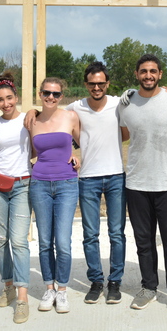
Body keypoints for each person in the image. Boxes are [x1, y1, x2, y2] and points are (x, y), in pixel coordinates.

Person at [118, 54, 167, 316]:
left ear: (160, 74)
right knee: (144, 242)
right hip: (137, 183)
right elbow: (123, 135)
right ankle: (148, 287)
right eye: (143, 71)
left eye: (153, 71)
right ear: (137, 74)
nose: (148, 75)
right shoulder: (125, 104)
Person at [68, 62, 126, 305]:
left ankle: (115, 282)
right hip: (88, 178)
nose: (97, 87)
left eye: (101, 83)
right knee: (90, 235)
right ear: (86, 84)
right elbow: (53, 118)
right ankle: (96, 281)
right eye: (92, 84)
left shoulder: (119, 104)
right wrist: (32, 112)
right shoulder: (76, 107)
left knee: (116, 234)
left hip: (115, 176)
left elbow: (143, 103)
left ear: (107, 84)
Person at [28, 78, 81, 314]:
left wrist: (78, 157)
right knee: (44, 241)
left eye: (56, 94)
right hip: (39, 183)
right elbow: (28, 151)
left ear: (62, 96)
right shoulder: (32, 121)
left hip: (66, 184)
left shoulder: (70, 117)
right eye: (47, 93)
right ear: (40, 94)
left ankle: (62, 290)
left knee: (63, 242)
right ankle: (49, 288)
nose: (51, 97)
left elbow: (84, 142)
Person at [0, 72, 32, 324]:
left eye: (9, 98)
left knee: (19, 241)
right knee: (0, 240)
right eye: (1, 100)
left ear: (16, 97)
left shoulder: (28, 119)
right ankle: (8, 286)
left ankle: (22, 298)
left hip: (23, 184)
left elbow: (48, 136)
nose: (6, 103)